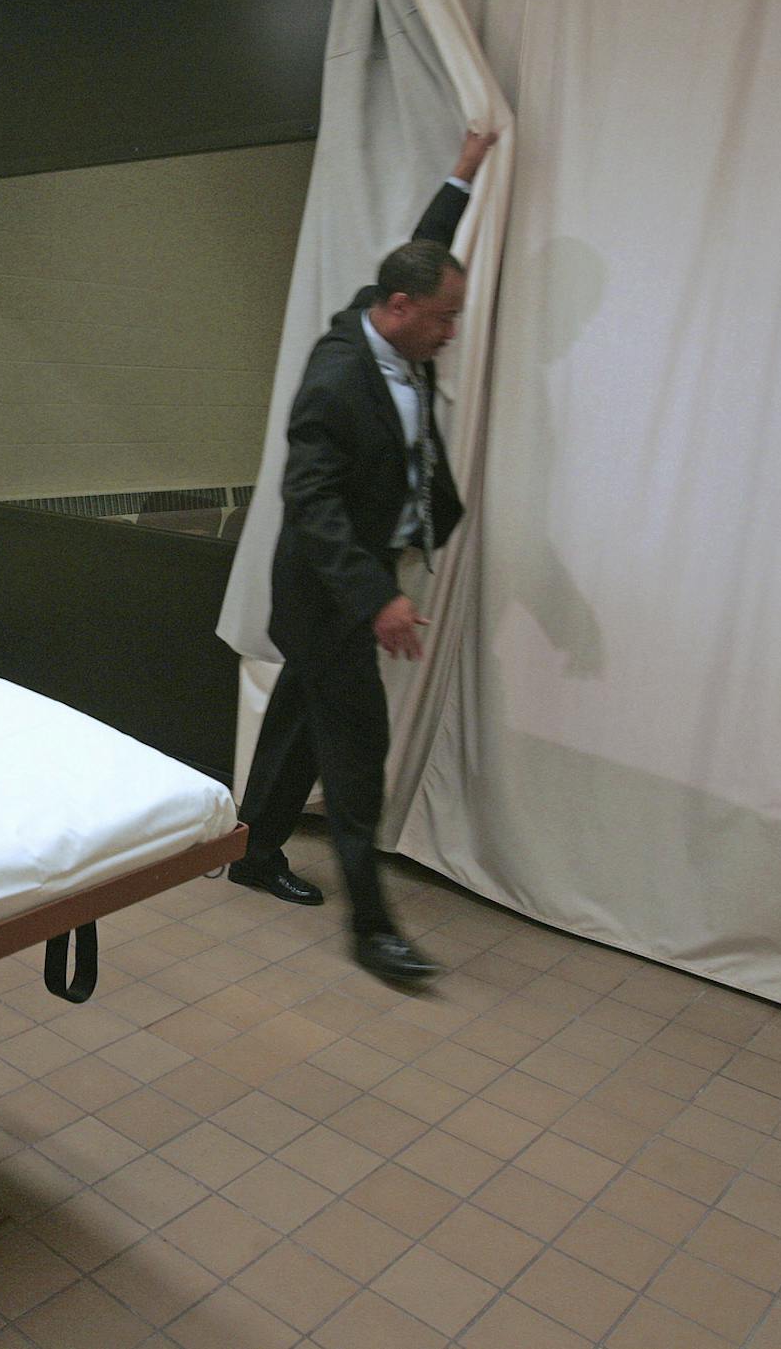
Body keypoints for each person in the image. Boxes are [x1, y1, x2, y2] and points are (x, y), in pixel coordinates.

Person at [232, 128, 497, 985]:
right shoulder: (338, 377)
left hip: (345, 591)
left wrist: (459, 175)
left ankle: (252, 845)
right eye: (444, 319)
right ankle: (372, 927)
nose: (451, 334)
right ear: (396, 308)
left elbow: (425, 256)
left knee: (300, 719)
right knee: (355, 752)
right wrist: (376, 595)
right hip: (329, 595)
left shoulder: (398, 318)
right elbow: (310, 505)